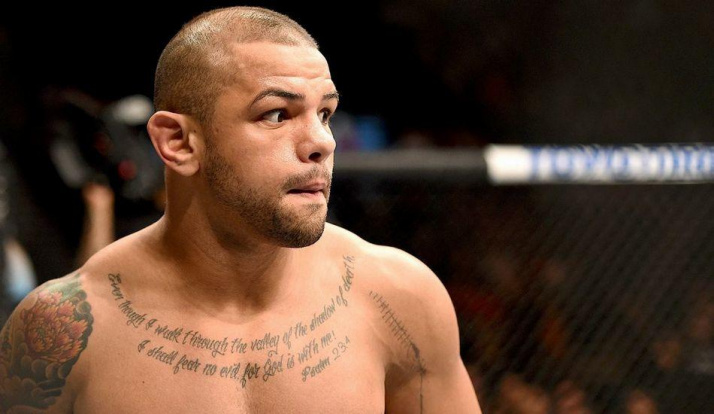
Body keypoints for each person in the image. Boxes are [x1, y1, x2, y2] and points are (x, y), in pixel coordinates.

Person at [0, 6, 481, 413]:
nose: (322, 142)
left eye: (325, 113)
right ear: (178, 142)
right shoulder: (64, 329)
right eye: (277, 114)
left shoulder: (398, 298)